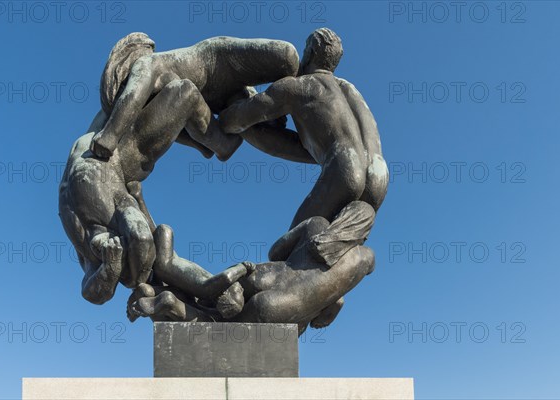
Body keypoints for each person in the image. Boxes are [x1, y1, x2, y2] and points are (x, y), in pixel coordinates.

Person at [59, 71, 245, 311]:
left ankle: (205, 140)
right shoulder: (122, 208)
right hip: (119, 155)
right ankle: (222, 143)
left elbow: (91, 293)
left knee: (124, 94)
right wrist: (116, 263)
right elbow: (141, 236)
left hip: (94, 147)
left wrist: (110, 267)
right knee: (183, 91)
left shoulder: (89, 251)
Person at [220, 28, 388, 230]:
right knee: (338, 249)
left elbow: (235, 120)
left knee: (291, 249)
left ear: (311, 52)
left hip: (344, 170)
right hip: (380, 176)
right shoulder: (351, 90)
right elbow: (316, 147)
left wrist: (230, 99)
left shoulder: (298, 87)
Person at [129, 201, 377, 334]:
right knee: (217, 328)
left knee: (214, 300)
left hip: (269, 274)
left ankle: (167, 280)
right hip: (281, 307)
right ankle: (173, 304)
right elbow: (329, 311)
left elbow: (275, 251)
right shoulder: (365, 260)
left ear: (342, 217)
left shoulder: (318, 225)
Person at [89, 33, 300, 161]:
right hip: (223, 100)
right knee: (243, 139)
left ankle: (314, 76)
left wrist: (110, 135)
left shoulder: (148, 63)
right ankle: (318, 153)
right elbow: (209, 147)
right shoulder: (158, 102)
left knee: (287, 58)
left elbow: (132, 95)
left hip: (218, 62)